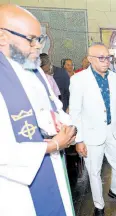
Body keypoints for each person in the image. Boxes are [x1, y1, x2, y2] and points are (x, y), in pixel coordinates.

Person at [0, 4, 76, 216]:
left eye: (39, 40)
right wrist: (52, 145)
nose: (38, 48)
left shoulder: (34, 70)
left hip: (53, 167)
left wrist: (65, 125)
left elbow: (54, 107)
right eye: (31, 39)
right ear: (2, 37)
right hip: (16, 188)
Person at [71, 43, 116, 216]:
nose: (106, 61)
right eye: (101, 58)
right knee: (94, 171)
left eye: (108, 57)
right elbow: (75, 112)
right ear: (90, 59)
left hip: (113, 130)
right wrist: (79, 139)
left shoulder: (113, 77)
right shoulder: (78, 80)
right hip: (90, 134)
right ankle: (99, 205)